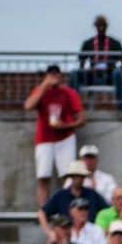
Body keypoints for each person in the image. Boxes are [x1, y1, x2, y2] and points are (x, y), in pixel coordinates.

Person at [25, 65, 85, 207]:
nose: (54, 78)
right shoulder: (40, 91)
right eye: (51, 75)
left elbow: (82, 119)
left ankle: (66, 209)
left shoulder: (69, 93)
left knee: (68, 177)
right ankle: (43, 211)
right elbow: (28, 106)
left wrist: (64, 125)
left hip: (65, 138)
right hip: (44, 139)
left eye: (56, 75)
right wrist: (44, 86)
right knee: (43, 177)